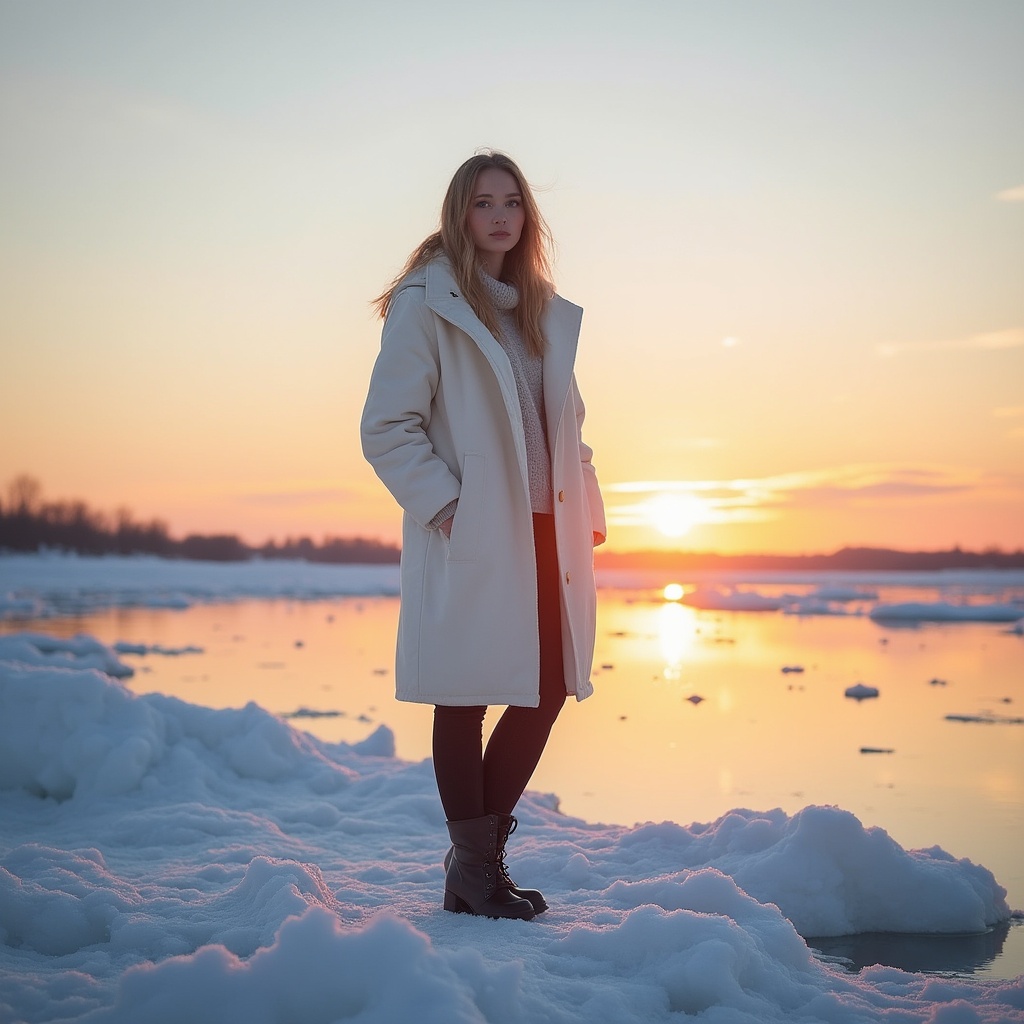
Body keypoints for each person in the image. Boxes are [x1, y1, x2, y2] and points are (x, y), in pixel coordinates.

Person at [360, 151, 605, 921]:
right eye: (482, 203)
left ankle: (478, 867)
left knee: (549, 687)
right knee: (464, 697)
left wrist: (587, 511)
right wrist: (448, 509)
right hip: (474, 529)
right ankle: (475, 874)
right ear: (458, 215)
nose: (499, 216)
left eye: (511, 203)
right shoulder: (427, 304)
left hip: (546, 531)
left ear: (526, 217)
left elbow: (571, 428)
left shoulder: (539, 310)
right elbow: (387, 428)